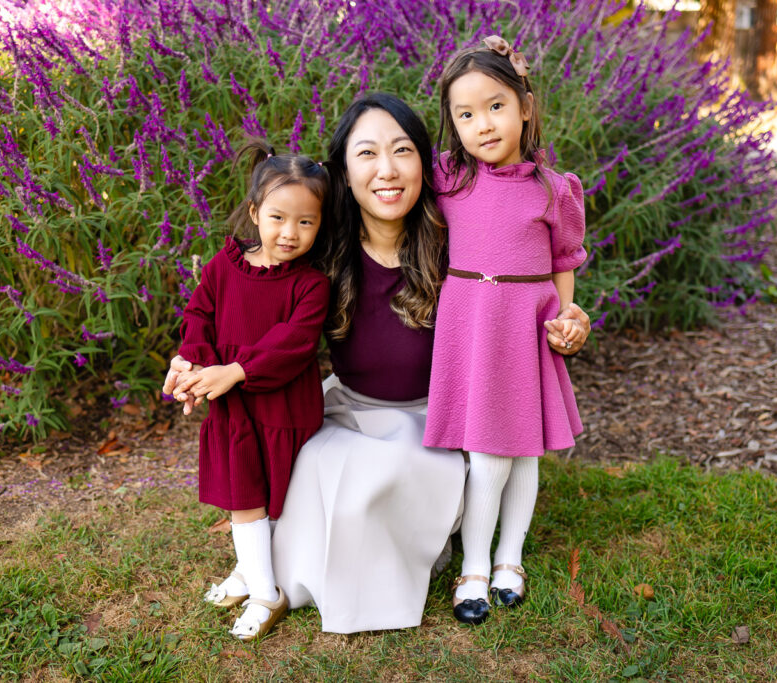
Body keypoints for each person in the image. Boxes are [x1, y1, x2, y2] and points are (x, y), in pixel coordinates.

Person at [168, 94, 591, 635]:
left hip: (434, 418)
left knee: (376, 479)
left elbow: (527, 273)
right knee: (313, 469)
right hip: (347, 407)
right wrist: (192, 363)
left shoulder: (457, 238)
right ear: (343, 171)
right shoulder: (319, 246)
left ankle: (408, 551)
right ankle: (267, 571)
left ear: (428, 163)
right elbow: (241, 309)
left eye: (403, 151)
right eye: (366, 153)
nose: (387, 170)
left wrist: (565, 314)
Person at [422, 36, 589, 626]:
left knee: (524, 454)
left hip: (527, 326)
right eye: (464, 114)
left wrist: (567, 319)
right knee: (489, 454)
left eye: (496, 105)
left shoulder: (553, 189)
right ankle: (473, 565)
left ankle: (508, 559)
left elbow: (565, 259)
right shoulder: (449, 178)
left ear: (525, 106)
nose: (482, 124)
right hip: (473, 323)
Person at [168, 141, 331, 641]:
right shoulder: (225, 266)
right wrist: (190, 362)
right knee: (244, 499)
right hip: (235, 408)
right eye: (279, 217)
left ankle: (257, 574)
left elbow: (293, 343)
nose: (290, 232)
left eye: (306, 222)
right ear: (256, 212)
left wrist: (235, 370)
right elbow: (199, 313)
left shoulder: (310, 284)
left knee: (276, 502)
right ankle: (263, 588)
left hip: (284, 408)